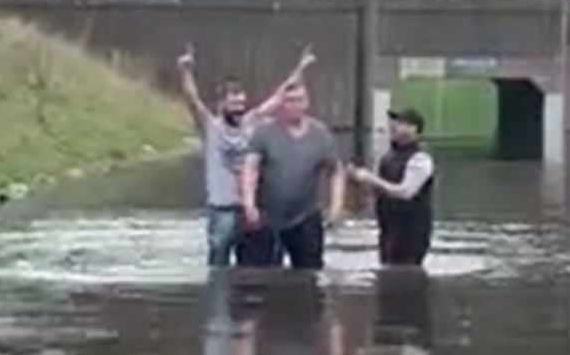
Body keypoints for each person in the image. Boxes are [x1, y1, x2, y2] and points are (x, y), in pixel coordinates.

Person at [177, 45, 316, 267]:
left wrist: (300, 68)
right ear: (221, 104)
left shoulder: (251, 123)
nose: (239, 108)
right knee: (218, 267)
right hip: (221, 210)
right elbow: (192, 100)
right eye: (233, 104)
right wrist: (185, 71)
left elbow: (278, 98)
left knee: (253, 267)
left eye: (241, 103)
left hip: (249, 210)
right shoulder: (210, 127)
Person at [240, 79, 345, 270]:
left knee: (310, 273)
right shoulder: (263, 133)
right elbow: (250, 168)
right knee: (260, 276)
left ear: (307, 103)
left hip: (306, 215)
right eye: (289, 101)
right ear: (281, 105)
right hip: (267, 216)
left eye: (299, 100)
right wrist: (248, 203)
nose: (294, 106)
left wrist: (336, 206)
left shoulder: (320, 134)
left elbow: (336, 171)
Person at [348, 108, 435, 267]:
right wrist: (360, 183)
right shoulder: (388, 157)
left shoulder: (420, 159)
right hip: (388, 228)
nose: (397, 127)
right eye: (397, 123)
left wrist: (371, 179)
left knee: (406, 274)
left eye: (405, 124)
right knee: (388, 269)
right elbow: (381, 191)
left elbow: (406, 192)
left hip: (412, 230)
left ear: (416, 131)